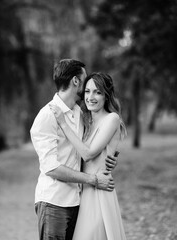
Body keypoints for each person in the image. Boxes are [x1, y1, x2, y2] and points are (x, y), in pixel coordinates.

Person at [30, 60, 119, 240]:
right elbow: (51, 168)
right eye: (85, 81)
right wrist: (94, 179)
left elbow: (92, 145)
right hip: (54, 202)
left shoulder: (79, 113)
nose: (87, 88)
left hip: (78, 201)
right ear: (76, 81)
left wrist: (109, 157)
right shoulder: (47, 116)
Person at [49, 72, 128, 240]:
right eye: (87, 91)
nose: (91, 97)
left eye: (98, 92)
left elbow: (88, 154)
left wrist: (63, 123)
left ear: (106, 96)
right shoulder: (85, 121)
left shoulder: (112, 118)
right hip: (82, 193)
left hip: (99, 193)